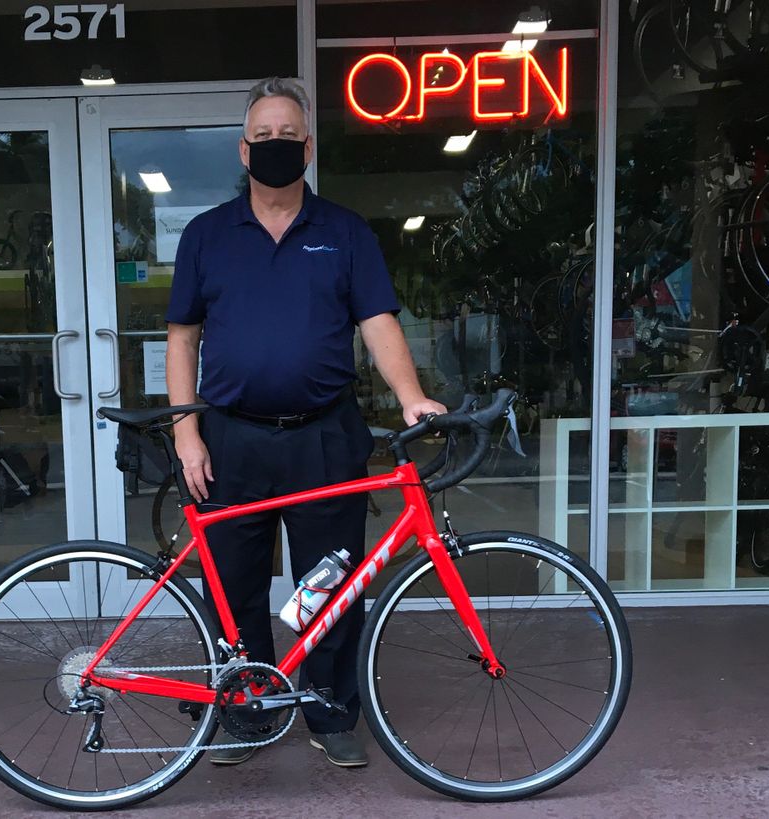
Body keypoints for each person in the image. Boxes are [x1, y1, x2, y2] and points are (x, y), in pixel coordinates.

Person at [165, 77, 446, 768]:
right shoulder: (206, 236)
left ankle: (329, 710)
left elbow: (378, 323)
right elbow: (181, 338)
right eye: (264, 137)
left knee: (329, 581)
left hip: (325, 434)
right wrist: (185, 431)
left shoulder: (345, 233)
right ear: (243, 149)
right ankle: (246, 712)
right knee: (233, 584)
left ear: (308, 146)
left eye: (288, 135)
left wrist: (411, 395)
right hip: (230, 437)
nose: (276, 146)